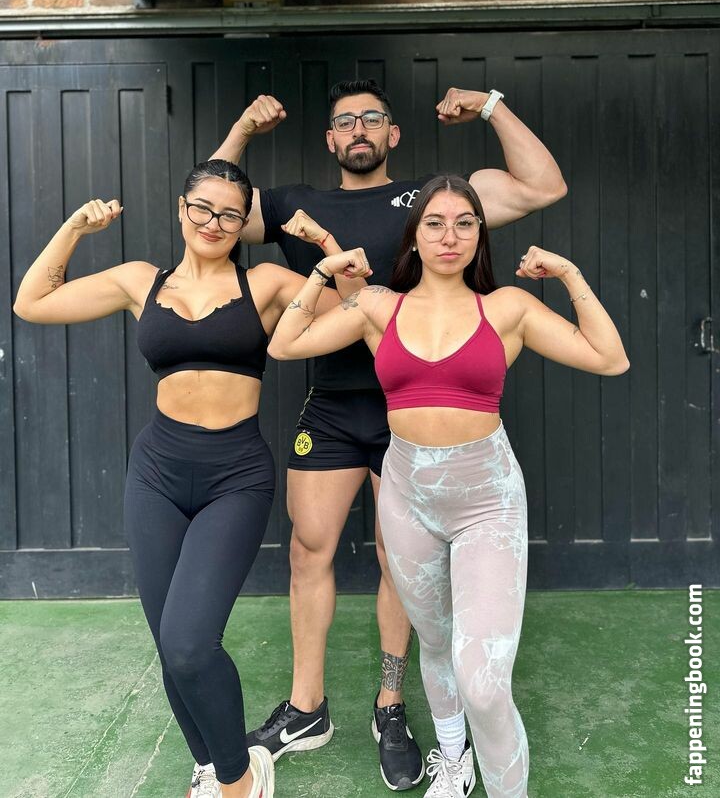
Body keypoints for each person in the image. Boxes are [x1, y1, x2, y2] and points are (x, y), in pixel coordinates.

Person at [211, 80, 567, 790]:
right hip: (331, 406)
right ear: (330, 139)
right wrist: (243, 128)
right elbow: (213, 210)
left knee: (399, 563)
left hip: (414, 412)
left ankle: (391, 704)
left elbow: (542, 186)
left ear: (393, 134)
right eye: (345, 121)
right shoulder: (295, 203)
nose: (359, 129)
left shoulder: (432, 204)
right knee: (308, 548)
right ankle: (307, 708)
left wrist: (491, 106)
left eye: (372, 118)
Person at [266, 173, 629, 798]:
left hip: (486, 500)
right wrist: (323, 271)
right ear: (415, 235)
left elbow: (609, 357)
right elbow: (285, 343)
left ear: (480, 235)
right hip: (408, 494)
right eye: (434, 223)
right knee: (434, 642)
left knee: (483, 679)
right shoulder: (377, 306)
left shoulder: (507, 308)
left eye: (465, 223)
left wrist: (571, 275)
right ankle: (453, 757)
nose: (449, 236)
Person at [12, 160, 367, 798]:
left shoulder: (265, 282)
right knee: (168, 644)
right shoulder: (139, 281)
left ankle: (239, 778)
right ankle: (212, 767)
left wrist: (324, 245)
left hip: (236, 475)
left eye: (230, 214)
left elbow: (359, 308)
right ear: (181, 209)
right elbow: (31, 301)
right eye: (202, 208)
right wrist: (74, 229)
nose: (214, 222)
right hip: (157, 472)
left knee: (188, 644)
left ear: (242, 223)